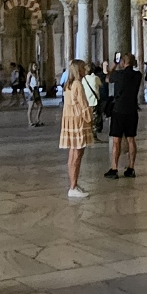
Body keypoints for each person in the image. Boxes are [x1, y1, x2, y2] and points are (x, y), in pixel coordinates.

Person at [59, 59, 94, 198]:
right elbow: (83, 105)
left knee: (72, 154)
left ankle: (73, 184)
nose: (85, 70)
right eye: (83, 68)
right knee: (77, 155)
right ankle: (73, 187)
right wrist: (90, 118)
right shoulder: (78, 84)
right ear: (79, 70)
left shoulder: (68, 84)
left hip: (70, 121)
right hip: (78, 121)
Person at [104, 53, 141, 178]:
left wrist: (114, 65)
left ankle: (114, 169)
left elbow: (107, 78)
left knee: (116, 140)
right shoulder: (138, 75)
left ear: (123, 62)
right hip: (132, 110)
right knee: (131, 139)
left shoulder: (119, 74)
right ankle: (131, 168)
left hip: (119, 110)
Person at [81, 62, 104, 136]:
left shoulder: (83, 79)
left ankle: (88, 133)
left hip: (86, 101)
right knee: (95, 118)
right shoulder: (95, 78)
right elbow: (101, 85)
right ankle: (93, 135)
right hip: (94, 101)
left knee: (88, 118)